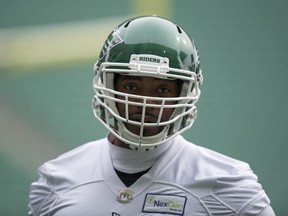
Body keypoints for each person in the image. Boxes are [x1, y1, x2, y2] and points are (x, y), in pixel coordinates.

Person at [28, 16, 275, 216]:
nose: (146, 103)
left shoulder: (227, 183)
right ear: (107, 86)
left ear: (186, 93)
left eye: (163, 89)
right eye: (131, 87)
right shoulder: (57, 177)